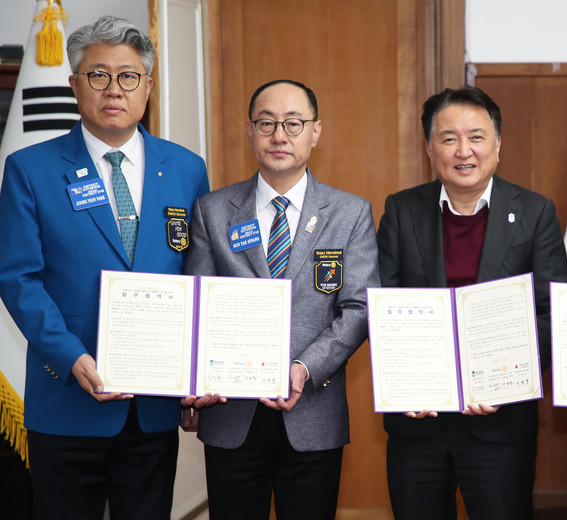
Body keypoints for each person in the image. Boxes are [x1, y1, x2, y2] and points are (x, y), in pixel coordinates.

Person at [0, 15, 209, 519]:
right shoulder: (31, 169)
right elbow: (18, 278)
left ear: (148, 87)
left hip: (154, 404)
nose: (114, 89)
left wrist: (197, 371)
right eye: (98, 75)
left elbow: (199, 275)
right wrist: (72, 357)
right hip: (68, 399)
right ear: (74, 84)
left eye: (129, 76)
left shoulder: (186, 168)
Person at [183, 79, 379, 520]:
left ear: (315, 132)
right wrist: (191, 381)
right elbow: (197, 307)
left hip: (313, 412)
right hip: (231, 413)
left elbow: (359, 308)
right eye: (266, 123)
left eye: (293, 123)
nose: (279, 136)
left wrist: (304, 367)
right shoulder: (212, 211)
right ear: (249, 131)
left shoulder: (350, 213)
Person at [376, 86, 567, 519]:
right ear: (430, 148)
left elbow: (550, 311)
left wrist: (509, 380)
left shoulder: (535, 212)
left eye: (477, 137)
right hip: (417, 418)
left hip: (500, 422)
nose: (464, 151)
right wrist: (404, 381)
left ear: (498, 144)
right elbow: (381, 305)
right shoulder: (402, 210)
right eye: (449, 138)